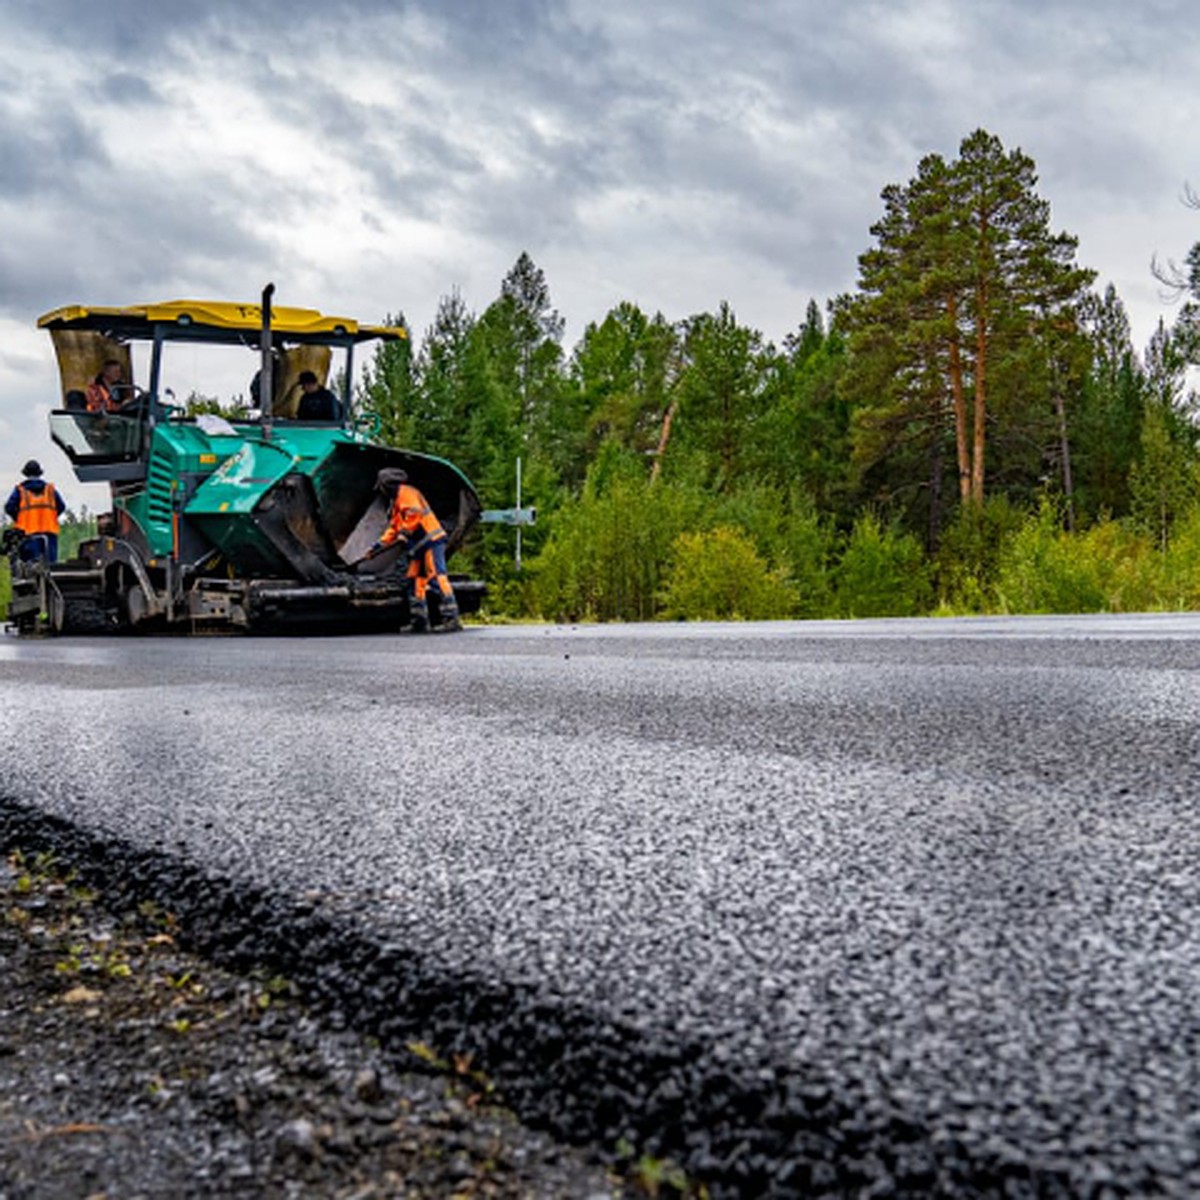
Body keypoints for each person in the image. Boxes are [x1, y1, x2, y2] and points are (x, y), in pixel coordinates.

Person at [359, 468, 462, 632]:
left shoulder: (407, 493)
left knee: (437, 577)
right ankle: (419, 621)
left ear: (387, 485)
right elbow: (393, 528)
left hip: (431, 541)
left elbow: (414, 513)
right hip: (418, 547)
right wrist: (377, 547)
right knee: (414, 581)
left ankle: (451, 619)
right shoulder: (396, 501)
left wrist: (405, 532)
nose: (381, 491)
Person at [5, 460, 66, 563]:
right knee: (51, 567)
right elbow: (61, 506)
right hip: (49, 533)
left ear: (25, 474)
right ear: (39, 473)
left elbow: (9, 508)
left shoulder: (20, 490)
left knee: (31, 568)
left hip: (28, 534)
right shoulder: (50, 490)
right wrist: (49, 517)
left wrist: (19, 519)